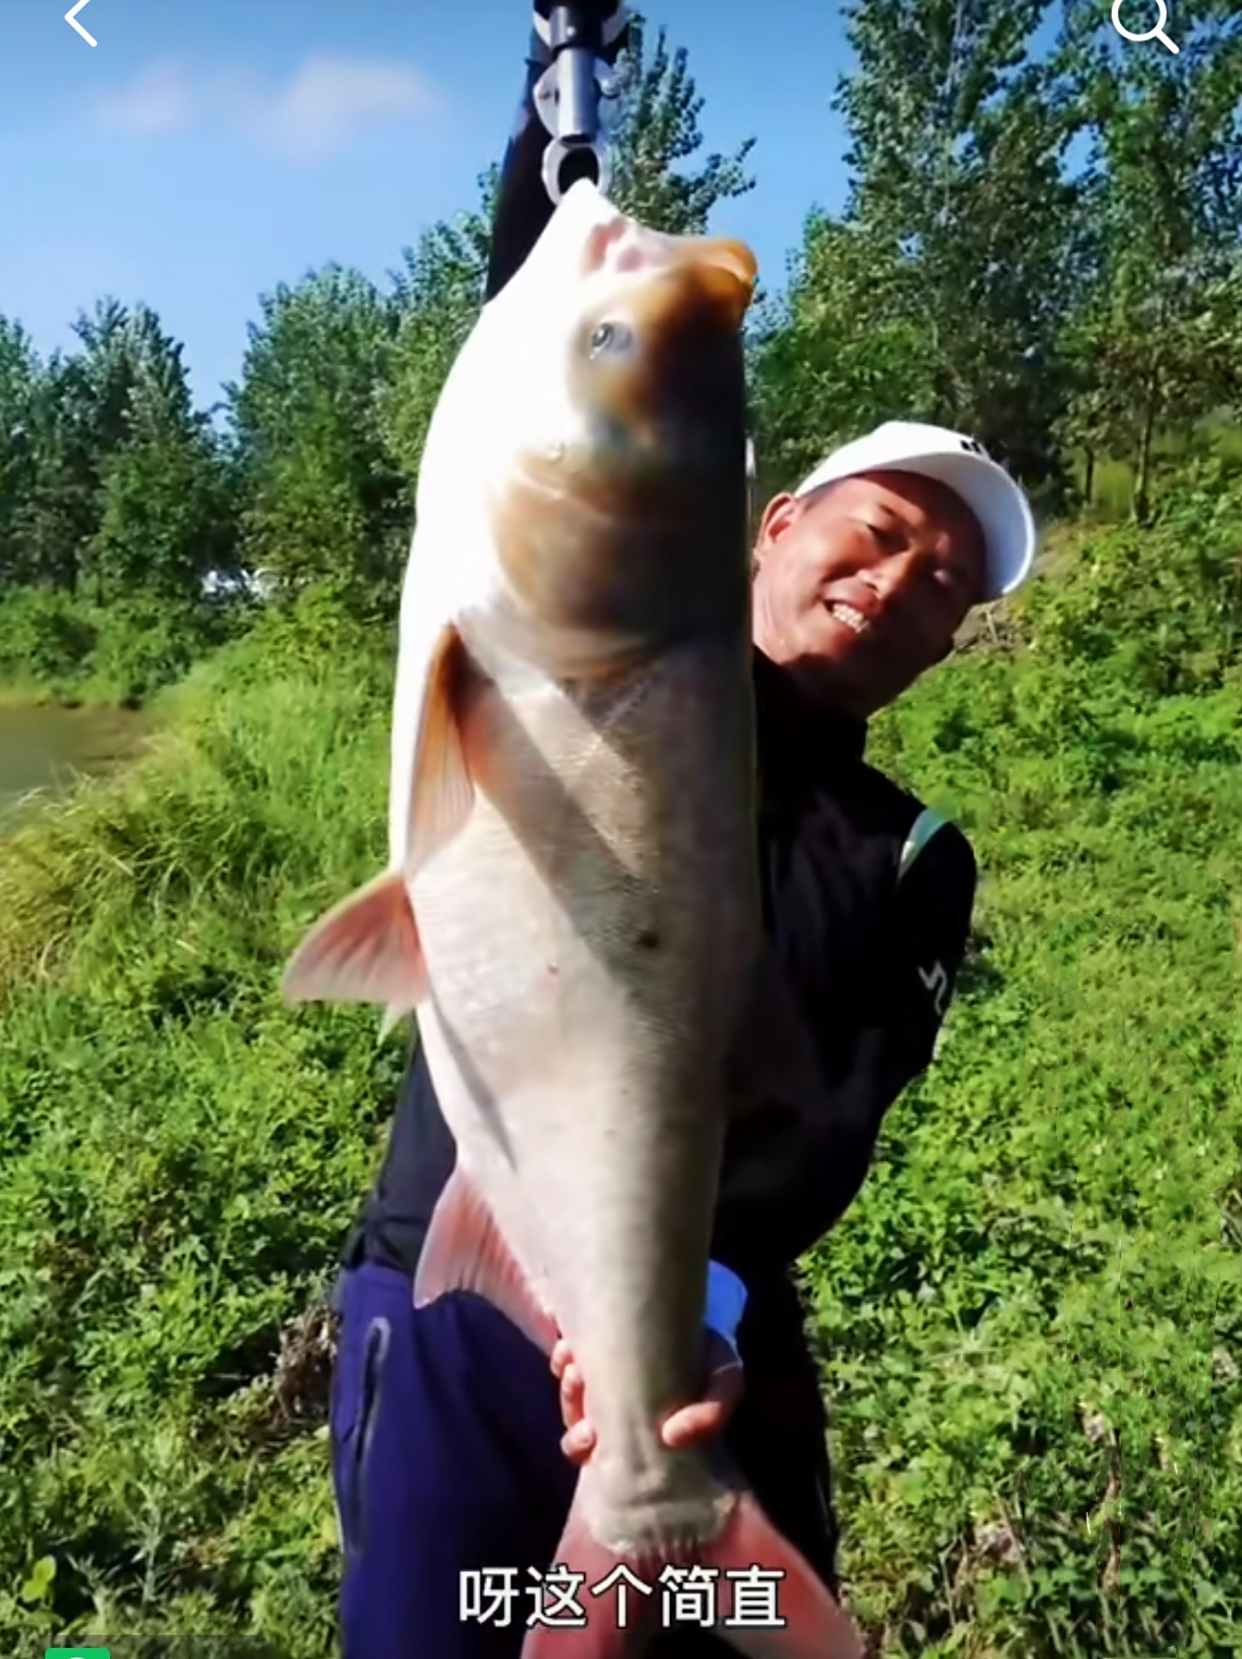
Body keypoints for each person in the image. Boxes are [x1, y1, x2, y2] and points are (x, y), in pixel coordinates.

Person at [327, 8, 1038, 1658]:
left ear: (946, 650)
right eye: (873, 538)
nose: (893, 585)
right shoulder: (603, 634)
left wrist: (678, 1326)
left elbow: (814, 1128)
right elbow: (561, 373)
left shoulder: (907, 850)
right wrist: (554, 119)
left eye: (940, 590)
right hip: (456, 1268)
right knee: (432, 1634)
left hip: (689, 1341)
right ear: (771, 524)